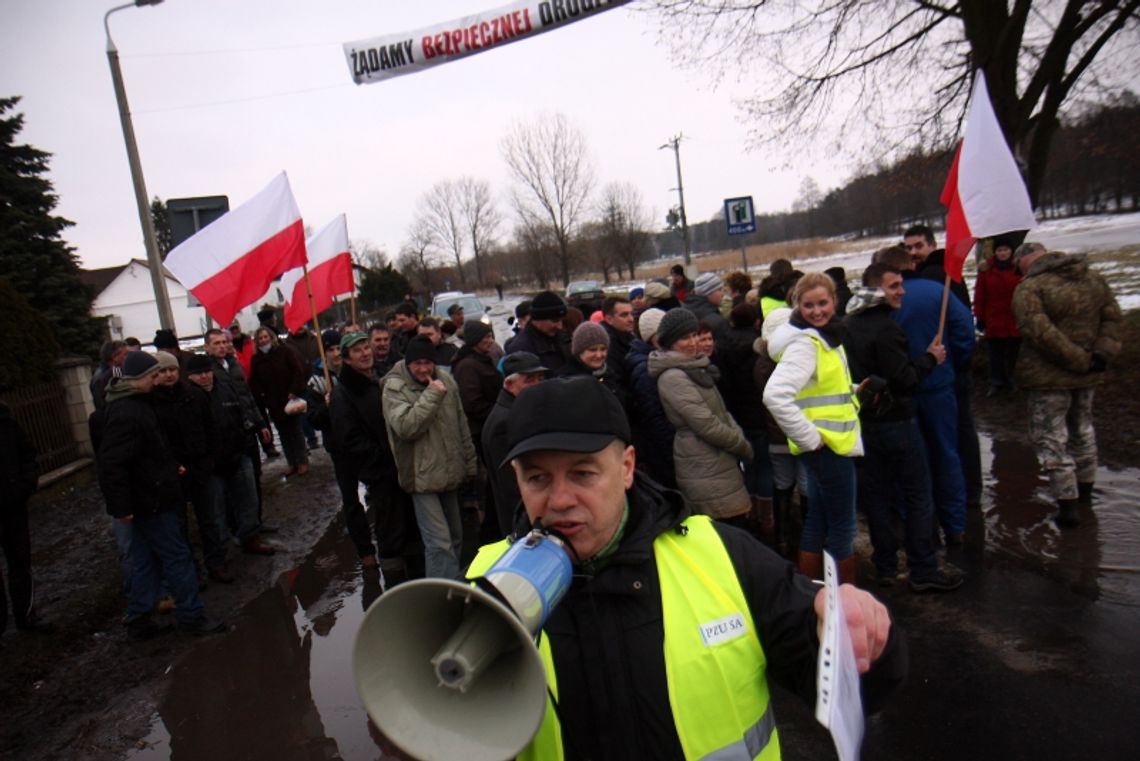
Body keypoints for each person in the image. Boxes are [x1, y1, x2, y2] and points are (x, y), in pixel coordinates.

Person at [466, 376, 905, 760]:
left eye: (583, 474)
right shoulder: (484, 587)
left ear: (626, 468)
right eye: (537, 478)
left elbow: (851, 691)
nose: (559, 500)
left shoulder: (722, 555)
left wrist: (862, 639)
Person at [843, 263, 964, 592]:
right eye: (894, 286)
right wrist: (930, 359)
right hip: (896, 422)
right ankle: (924, 568)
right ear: (877, 289)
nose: (902, 291)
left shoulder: (847, 325)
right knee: (917, 495)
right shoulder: (886, 329)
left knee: (878, 498)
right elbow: (903, 380)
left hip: (864, 424)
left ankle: (885, 567)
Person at [96, 351, 225, 639]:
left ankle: (139, 619)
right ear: (138, 378)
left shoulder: (135, 405)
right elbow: (112, 464)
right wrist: (121, 506)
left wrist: (170, 465)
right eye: (154, 375)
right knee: (177, 557)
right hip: (152, 500)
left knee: (145, 560)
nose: (159, 380)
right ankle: (191, 616)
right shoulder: (129, 412)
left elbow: (147, 453)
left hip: (148, 495)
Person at [1011, 243, 1122, 527]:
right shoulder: (1093, 279)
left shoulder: (1030, 288)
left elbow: (1038, 331)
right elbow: (1112, 319)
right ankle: (1085, 492)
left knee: (1050, 437)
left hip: (1047, 377)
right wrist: (1099, 355)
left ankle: (1067, 505)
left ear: (1025, 261)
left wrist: (1077, 359)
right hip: (1088, 373)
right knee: (1082, 430)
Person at [764, 272, 863, 583]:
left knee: (818, 521)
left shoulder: (828, 337)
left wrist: (856, 390)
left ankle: (810, 593)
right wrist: (809, 437)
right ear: (797, 306)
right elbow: (775, 395)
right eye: (809, 306)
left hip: (830, 445)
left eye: (823, 303)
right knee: (843, 528)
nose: (817, 311)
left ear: (835, 301)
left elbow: (820, 390)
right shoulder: (807, 344)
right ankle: (845, 603)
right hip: (829, 447)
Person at [880, 246, 976, 543]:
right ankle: (955, 527)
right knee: (947, 455)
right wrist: (953, 363)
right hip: (937, 388)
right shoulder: (936, 292)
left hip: (900, 394)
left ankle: (919, 532)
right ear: (910, 263)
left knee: (907, 465)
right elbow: (965, 332)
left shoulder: (882, 301)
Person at [381, 336, 477, 580]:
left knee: (455, 536)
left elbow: (460, 423)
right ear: (408, 363)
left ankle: (451, 585)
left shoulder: (446, 380)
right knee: (439, 544)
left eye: (428, 363)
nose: (423, 369)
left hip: (449, 468)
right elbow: (406, 427)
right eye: (417, 364)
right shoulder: (394, 387)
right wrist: (432, 396)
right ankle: (438, 599)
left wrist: (470, 461)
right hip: (421, 475)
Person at [650, 308, 753, 525]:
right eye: (684, 338)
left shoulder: (696, 368)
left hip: (719, 457)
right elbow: (705, 423)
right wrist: (741, 446)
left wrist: (737, 436)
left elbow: (721, 412)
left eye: (694, 334)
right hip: (703, 462)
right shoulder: (673, 377)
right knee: (724, 526)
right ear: (670, 342)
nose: (693, 342)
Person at [327, 334, 415, 583]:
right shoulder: (343, 393)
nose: (365, 353)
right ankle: (395, 585)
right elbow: (349, 439)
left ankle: (411, 578)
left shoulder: (375, 382)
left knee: (405, 525)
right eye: (357, 351)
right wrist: (381, 458)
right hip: (379, 472)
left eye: (366, 347)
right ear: (346, 359)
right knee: (390, 530)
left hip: (395, 467)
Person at [184, 354, 275, 564]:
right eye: (198, 374)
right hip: (211, 465)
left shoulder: (225, 389)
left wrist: (252, 432)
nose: (204, 376)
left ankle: (250, 538)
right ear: (190, 376)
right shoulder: (188, 398)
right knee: (214, 513)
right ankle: (220, 554)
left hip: (237, 455)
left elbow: (242, 413)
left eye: (207, 371)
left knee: (249, 502)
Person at [481, 352, 548, 536]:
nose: (537, 385)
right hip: (523, 522)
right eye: (529, 380)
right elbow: (511, 486)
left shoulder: (518, 411)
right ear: (509, 384)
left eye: (540, 378)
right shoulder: (505, 422)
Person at [0, 402, 45, 634]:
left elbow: (28, 454)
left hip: (13, 505)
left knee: (20, 560)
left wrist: (26, 484)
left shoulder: (6, 422)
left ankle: (26, 616)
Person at [623, 308, 676, 489]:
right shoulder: (646, 368)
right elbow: (655, 417)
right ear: (652, 337)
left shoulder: (657, 359)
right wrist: (672, 455)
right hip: (662, 452)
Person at [249, 326, 310, 476]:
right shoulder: (256, 360)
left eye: (265, 337)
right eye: (260, 338)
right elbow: (255, 381)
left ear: (271, 337)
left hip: (290, 398)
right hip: (273, 402)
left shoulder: (285, 351)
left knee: (296, 431)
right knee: (283, 434)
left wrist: (294, 390)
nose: (263, 340)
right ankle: (291, 462)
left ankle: (302, 461)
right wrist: (260, 396)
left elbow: (297, 371)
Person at [974, 239, 1023, 395]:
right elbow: (979, 295)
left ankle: (1011, 379)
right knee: (995, 353)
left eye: (1006, 250)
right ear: (995, 252)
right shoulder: (986, 270)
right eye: (999, 250)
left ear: (1011, 252)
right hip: (993, 318)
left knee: (1013, 352)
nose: (1002, 253)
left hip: (1014, 318)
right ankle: (996, 382)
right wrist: (980, 317)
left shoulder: (1019, 269)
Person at [506, 291, 572, 373]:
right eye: (555, 320)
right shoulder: (520, 348)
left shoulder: (563, 337)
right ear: (538, 319)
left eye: (562, 320)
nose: (560, 326)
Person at [684, 272, 728, 339]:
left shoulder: (684, 311)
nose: (722, 294)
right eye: (719, 290)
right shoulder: (716, 321)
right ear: (707, 292)